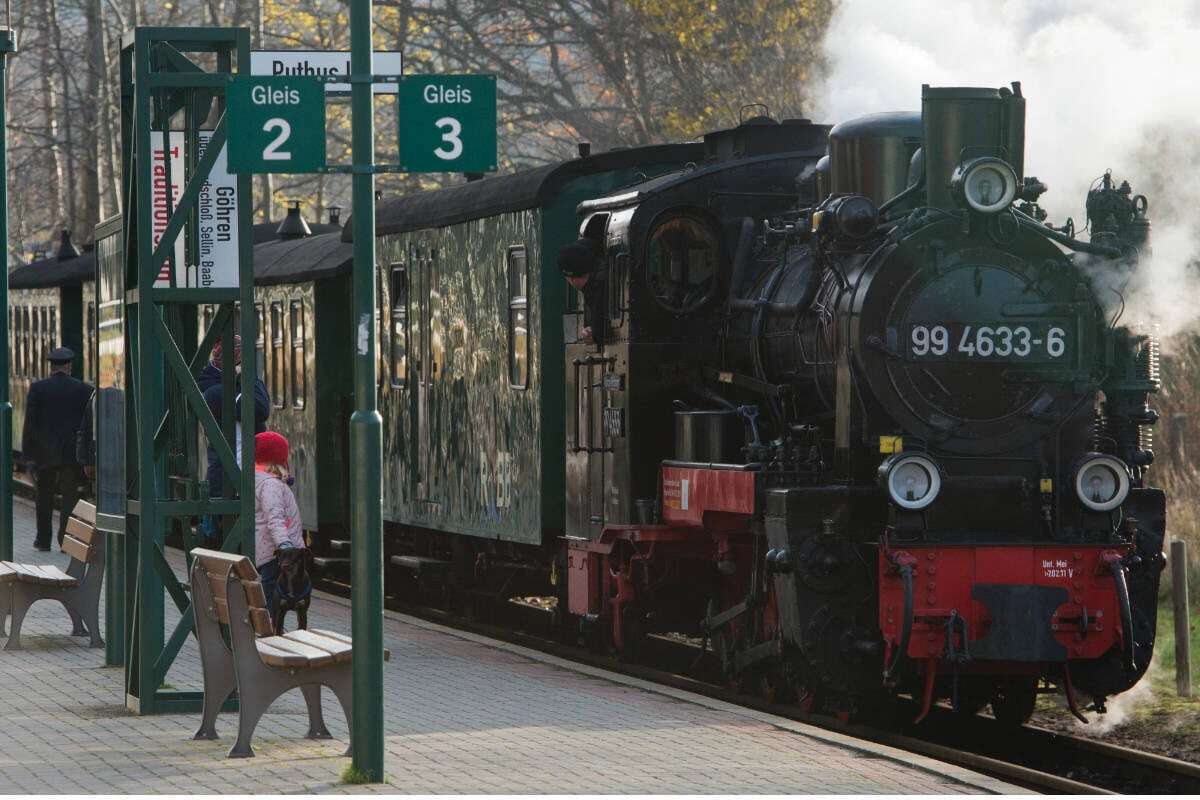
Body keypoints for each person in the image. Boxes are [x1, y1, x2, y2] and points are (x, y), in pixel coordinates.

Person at [22, 347, 93, 551]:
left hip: (44, 455)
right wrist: (88, 455)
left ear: (51, 366)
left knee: (44, 497)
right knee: (71, 497)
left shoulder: (38, 388)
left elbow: (30, 425)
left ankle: (43, 541)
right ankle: (67, 542)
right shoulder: (84, 389)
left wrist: (29, 456)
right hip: (72, 455)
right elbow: (87, 426)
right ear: (69, 366)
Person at [197, 335, 270, 515]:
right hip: (231, 481)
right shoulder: (217, 392)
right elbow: (261, 408)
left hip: (228, 480)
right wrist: (248, 374)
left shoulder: (212, 386)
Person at [253, 431, 304, 612]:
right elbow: (275, 518)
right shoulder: (270, 485)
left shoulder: (262, 482)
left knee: (271, 598)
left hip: (271, 553)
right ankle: (271, 633)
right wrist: (285, 544)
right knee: (272, 599)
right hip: (276, 554)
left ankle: (271, 628)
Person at [557, 236, 608, 346]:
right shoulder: (600, 277)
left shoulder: (597, 287)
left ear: (571, 278)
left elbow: (599, 332)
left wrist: (592, 334)